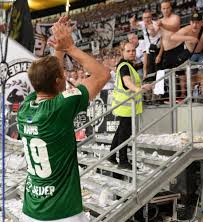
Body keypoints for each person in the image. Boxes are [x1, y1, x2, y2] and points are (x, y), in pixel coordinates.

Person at [17, 17, 110, 222]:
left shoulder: (25, 108)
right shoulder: (61, 106)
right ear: (59, 82)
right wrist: (70, 47)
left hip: (31, 209)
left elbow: (50, 77)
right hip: (62, 212)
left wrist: (57, 50)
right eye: (63, 74)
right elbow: (102, 74)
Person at [108, 42, 151, 169]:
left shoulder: (127, 65)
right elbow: (127, 82)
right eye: (128, 51)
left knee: (120, 131)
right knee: (124, 134)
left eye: (133, 50)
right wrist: (139, 89)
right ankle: (123, 161)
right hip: (126, 107)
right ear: (123, 52)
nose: (132, 53)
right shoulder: (125, 66)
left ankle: (111, 155)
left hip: (124, 106)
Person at [171, 12, 203, 96]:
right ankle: (191, 95)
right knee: (191, 76)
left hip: (202, 53)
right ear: (190, 22)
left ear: (202, 22)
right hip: (191, 55)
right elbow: (173, 37)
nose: (195, 25)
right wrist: (189, 38)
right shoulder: (186, 30)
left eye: (198, 22)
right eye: (193, 22)